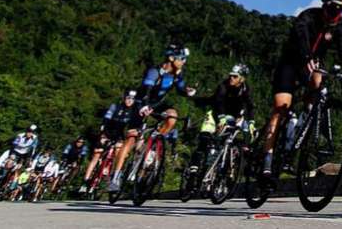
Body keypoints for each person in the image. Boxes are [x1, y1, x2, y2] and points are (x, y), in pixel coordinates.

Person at [262, 0, 342, 176]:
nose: (335, 12)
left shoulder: (339, 26)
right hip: (291, 63)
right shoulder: (308, 16)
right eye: (332, 7)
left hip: (313, 65)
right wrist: (306, 55)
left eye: (340, 8)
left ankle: (303, 127)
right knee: (281, 108)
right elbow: (301, 36)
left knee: (318, 92)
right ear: (324, 5)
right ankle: (267, 162)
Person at [108, 46, 196, 192]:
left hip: (157, 104)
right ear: (171, 59)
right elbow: (147, 90)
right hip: (141, 103)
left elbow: (180, 89)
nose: (184, 62)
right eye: (181, 59)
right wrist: (145, 106)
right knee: (131, 138)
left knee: (172, 116)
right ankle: (116, 176)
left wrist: (187, 91)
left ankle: (156, 141)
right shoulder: (154, 71)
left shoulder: (177, 74)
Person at [189, 63, 255, 175]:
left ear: (242, 79)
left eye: (235, 76)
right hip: (216, 113)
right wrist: (221, 118)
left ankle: (225, 167)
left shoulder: (245, 89)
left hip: (231, 117)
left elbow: (250, 105)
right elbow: (219, 101)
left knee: (228, 141)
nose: (231, 78)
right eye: (230, 75)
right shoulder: (224, 85)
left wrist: (251, 122)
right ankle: (193, 169)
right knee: (204, 140)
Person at [79, 89, 141, 193]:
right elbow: (106, 119)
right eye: (128, 98)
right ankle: (85, 181)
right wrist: (103, 134)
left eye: (132, 99)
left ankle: (112, 179)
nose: (130, 101)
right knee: (97, 155)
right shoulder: (115, 106)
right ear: (124, 98)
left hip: (120, 135)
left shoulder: (134, 111)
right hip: (107, 132)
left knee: (118, 153)